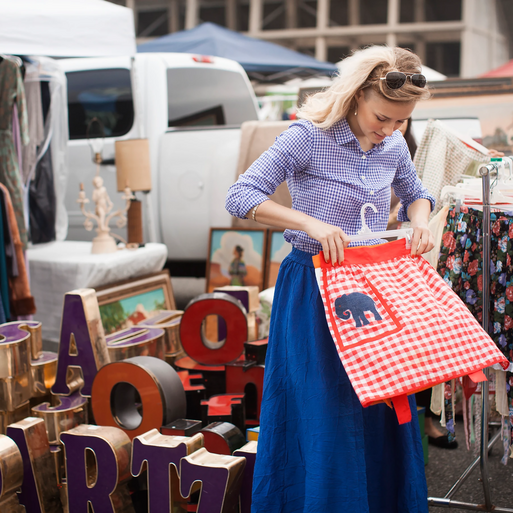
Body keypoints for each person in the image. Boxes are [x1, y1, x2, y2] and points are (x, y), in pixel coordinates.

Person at [226, 45, 435, 513]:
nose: (390, 129)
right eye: (383, 117)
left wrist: (419, 219)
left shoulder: (395, 144)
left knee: (379, 400)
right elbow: (241, 195)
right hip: (313, 288)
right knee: (324, 404)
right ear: (357, 95)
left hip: (372, 286)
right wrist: (308, 223)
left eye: (401, 122)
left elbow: (417, 193)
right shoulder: (308, 136)